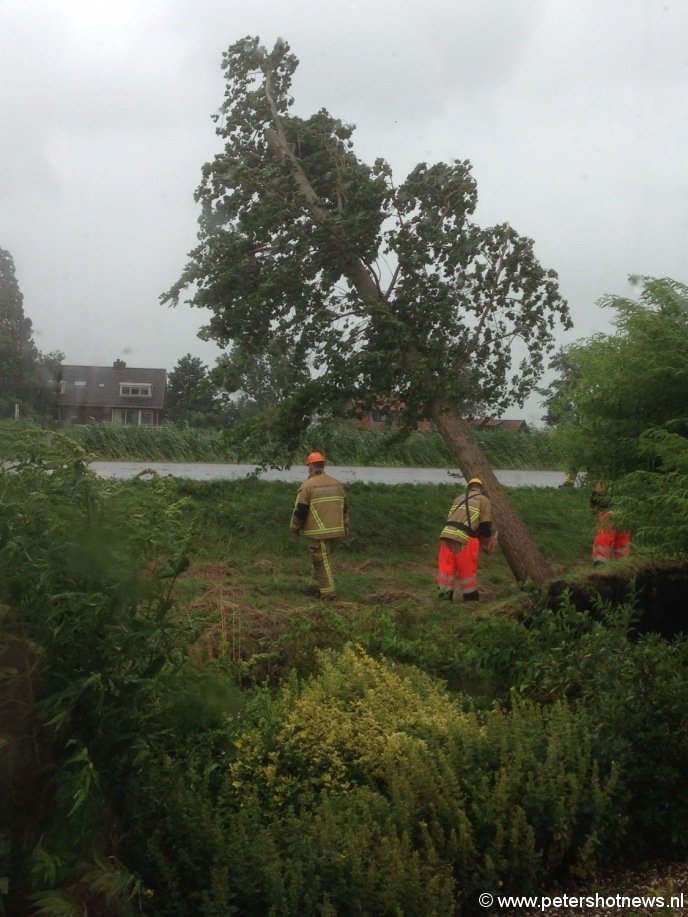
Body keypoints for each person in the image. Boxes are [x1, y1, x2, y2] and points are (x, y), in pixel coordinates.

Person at [290, 451, 349, 599]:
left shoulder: (307, 486)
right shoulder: (338, 484)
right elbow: (345, 508)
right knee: (321, 559)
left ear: (310, 467)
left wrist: (294, 528)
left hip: (318, 532)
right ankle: (314, 586)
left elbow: (300, 511)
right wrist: (346, 527)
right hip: (337, 530)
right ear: (323, 465)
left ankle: (328, 594)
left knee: (321, 561)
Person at [437, 477, 496, 603]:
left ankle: (443, 600)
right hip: (465, 539)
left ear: (468, 487)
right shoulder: (484, 500)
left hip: (446, 536)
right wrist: (486, 545)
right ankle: (471, 601)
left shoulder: (458, 498)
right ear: (482, 489)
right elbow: (485, 527)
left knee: (446, 571)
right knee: (467, 573)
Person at [590, 485, 631, 565]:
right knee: (621, 540)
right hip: (623, 510)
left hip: (608, 511)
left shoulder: (604, 482)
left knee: (605, 537)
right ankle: (621, 564)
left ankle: (600, 563)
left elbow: (596, 496)